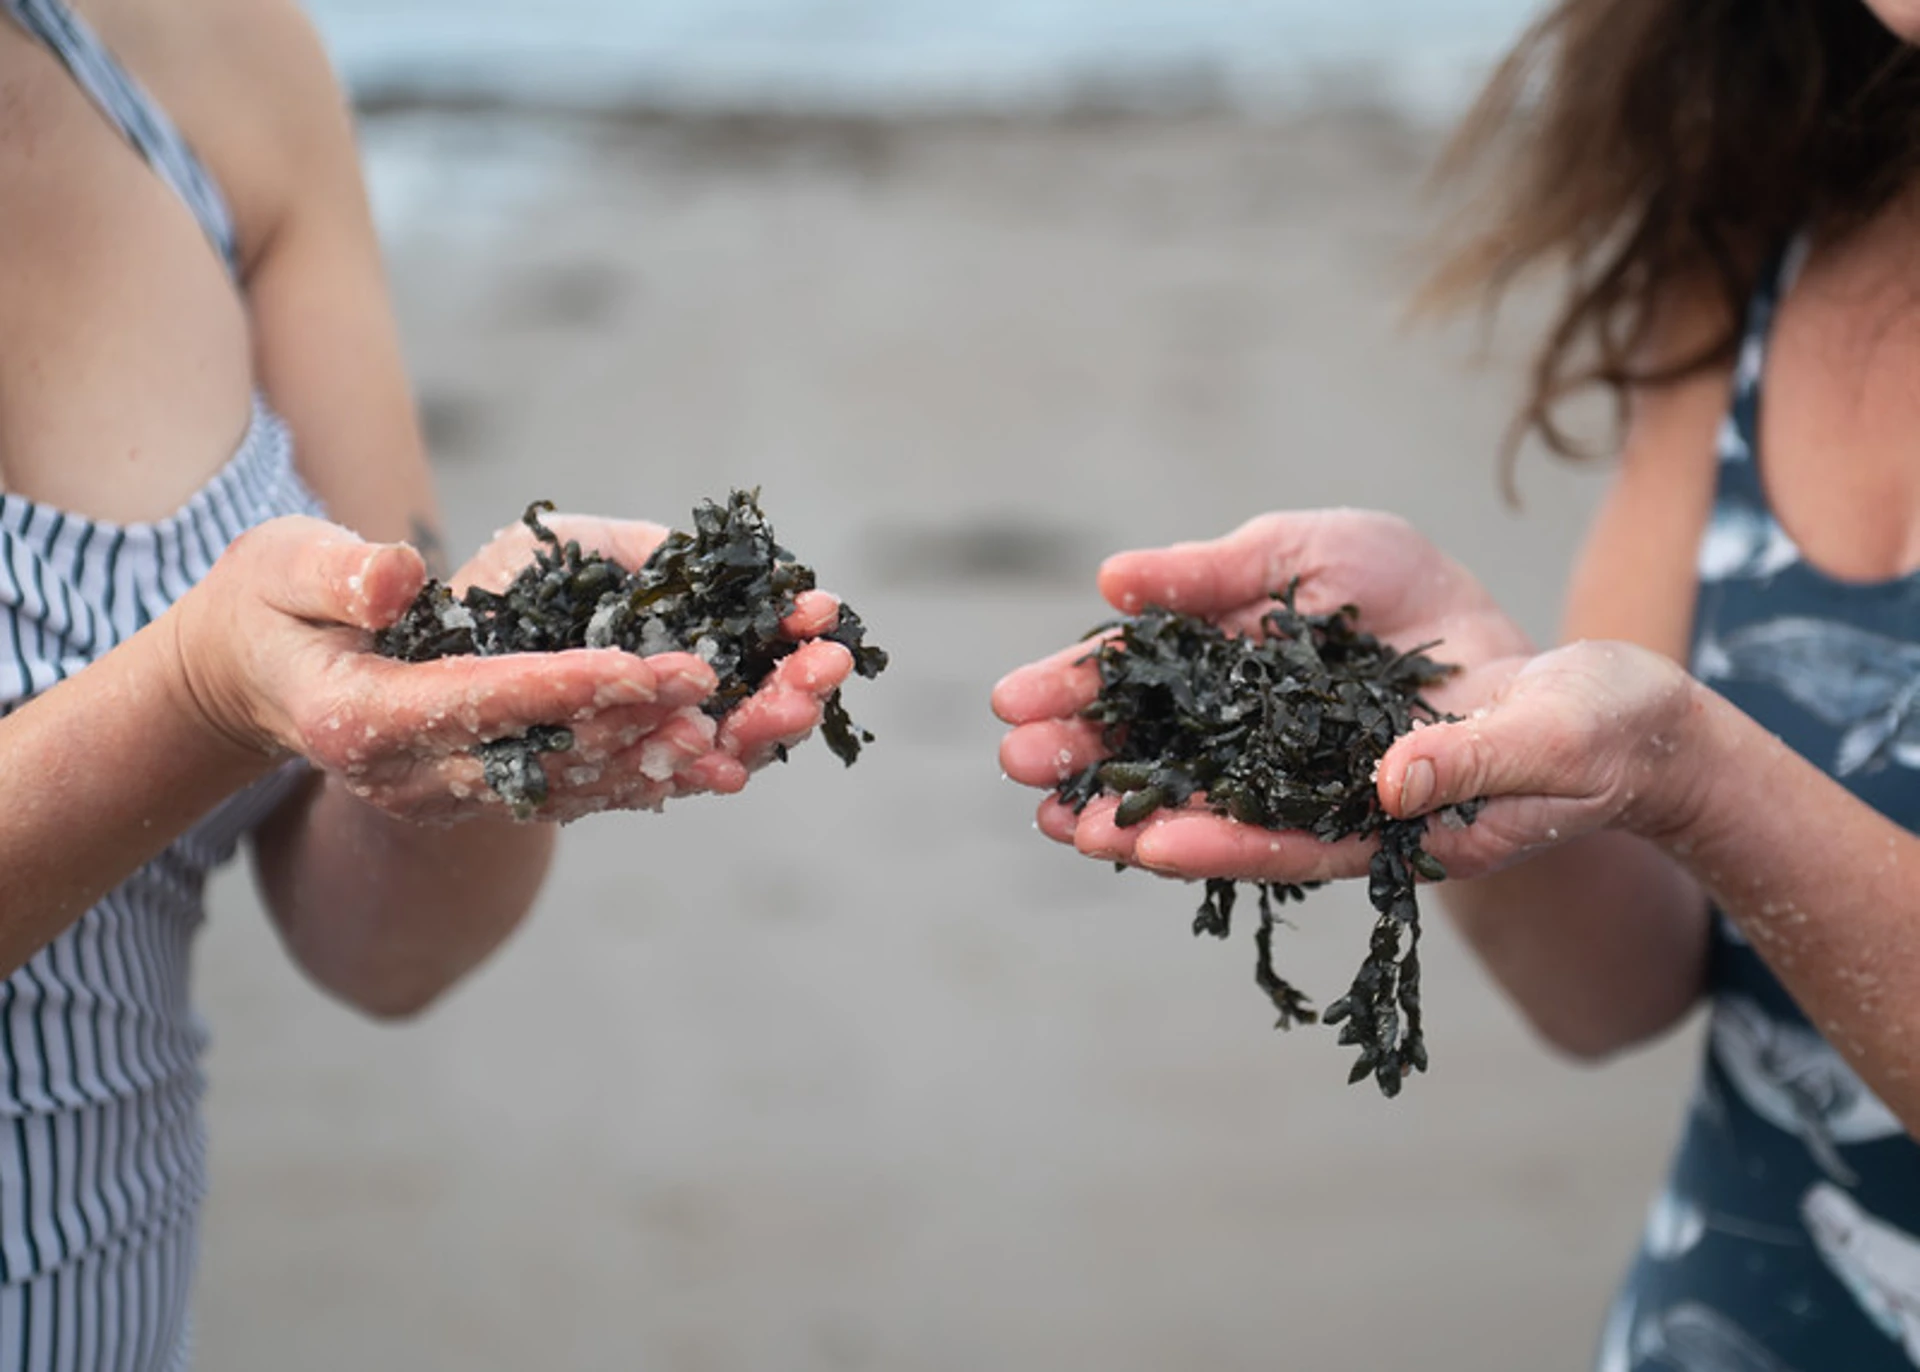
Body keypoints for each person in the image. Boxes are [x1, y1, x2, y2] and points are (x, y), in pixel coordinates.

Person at [996, 1, 1920, 1367]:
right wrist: (1493, 755)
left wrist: (1699, 775)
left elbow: (1691, 776)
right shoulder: (1777, 227)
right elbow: (1623, 989)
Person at [0, 0, 853, 1361]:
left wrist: (479, 740)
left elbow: (387, 952)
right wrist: (199, 699)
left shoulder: (209, 51)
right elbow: (224, 689)